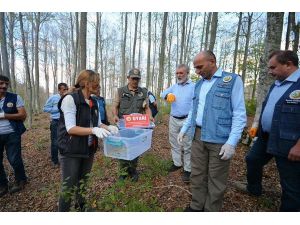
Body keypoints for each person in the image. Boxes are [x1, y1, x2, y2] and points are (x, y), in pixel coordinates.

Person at [178, 51, 246, 212]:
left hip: (219, 139)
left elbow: (239, 113)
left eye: (199, 67)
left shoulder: (232, 81)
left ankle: (211, 210)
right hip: (198, 136)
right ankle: (196, 206)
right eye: (195, 68)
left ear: (212, 61)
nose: (197, 71)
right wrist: (185, 128)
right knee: (197, 174)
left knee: (216, 178)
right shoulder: (199, 84)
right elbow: (194, 110)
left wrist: (231, 142)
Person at [234, 50, 300, 211]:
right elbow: (269, 107)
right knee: (252, 159)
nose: (270, 72)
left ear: (288, 65)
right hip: (266, 136)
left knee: (290, 183)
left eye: (273, 67)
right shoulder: (277, 83)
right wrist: (257, 126)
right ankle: (254, 188)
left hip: (290, 142)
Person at [57, 70, 119, 211]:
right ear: (85, 83)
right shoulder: (70, 99)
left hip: (88, 148)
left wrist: (109, 127)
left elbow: (97, 124)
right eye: (95, 81)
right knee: (69, 184)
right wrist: (92, 130)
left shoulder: (94, 102)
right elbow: (71, 128)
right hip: (71, 149)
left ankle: (81, 207)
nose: (98, 85)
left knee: (83, 180)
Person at [112, 68, 153, 182]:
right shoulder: (120, 91)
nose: (135, 81)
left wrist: (149, 117)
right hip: (123, 125)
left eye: (137, 79)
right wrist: (115, 116)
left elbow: (147, 108)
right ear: (128, 78)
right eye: (133, 78)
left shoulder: (143, 92)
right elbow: (114, 106)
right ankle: (123, 172)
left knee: (135, 148)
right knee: (123, 147)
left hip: (137, 126)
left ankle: (132, 170)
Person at [160, 64, 195, 183]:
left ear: (187, 73)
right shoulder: (174, 87)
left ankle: (188, 169)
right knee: (174, 142)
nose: (179, 75)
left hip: (187, 120)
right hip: (173, 119)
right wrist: (167, 95)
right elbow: (162, 94)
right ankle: (177, 163)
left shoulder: (193, 87)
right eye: (177, 73)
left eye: (181, 73)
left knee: (187, 145)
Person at [0, 75, 27, 197]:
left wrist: (3, 115)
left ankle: (21, 180)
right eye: (1, 83)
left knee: (14, 159)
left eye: (6, 84)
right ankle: (2, 184)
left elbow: (22, 115)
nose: (4, 86)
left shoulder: (15, 97)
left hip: (12, 133)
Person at [43, 83, 68, 166]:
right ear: (59, 90)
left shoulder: (69, 97)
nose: (65, 91)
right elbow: (45, 108)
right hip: (56, 122)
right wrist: (57, 109)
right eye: (63, 89)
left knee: (66, 141)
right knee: (55, 142)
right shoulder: (53, 98)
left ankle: (65, 159)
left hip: (67, 122)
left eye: (66, 89)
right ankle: (54, 161)